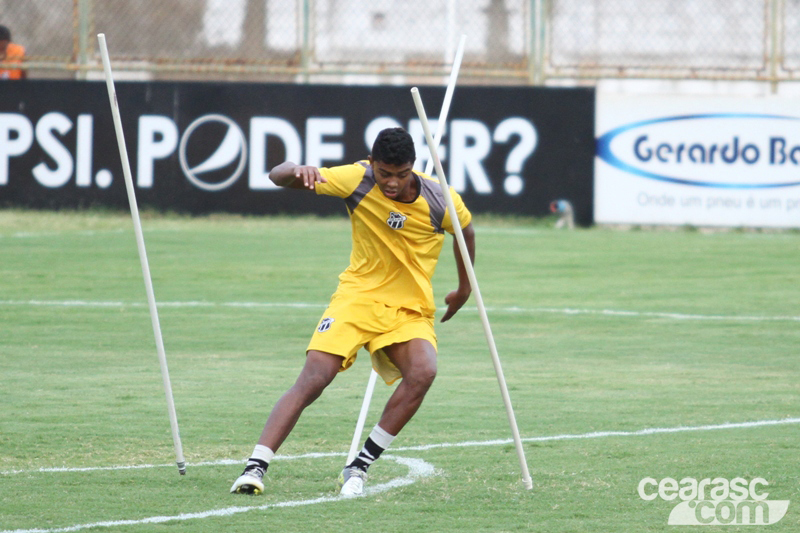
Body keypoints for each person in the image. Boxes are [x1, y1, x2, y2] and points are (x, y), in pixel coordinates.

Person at [231, 127, 475, 497]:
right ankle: (255, 467)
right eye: (385, 173)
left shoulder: (440, 198)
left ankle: (359, 466)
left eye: (401, 174)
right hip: (356, 299)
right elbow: (277, 176)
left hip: (408, 308)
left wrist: (464, 287)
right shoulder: (356, 178)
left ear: (412, 168)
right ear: (372, 162)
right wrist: (298, 168)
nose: (392, 182)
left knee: (424, 371)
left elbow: (466, 231)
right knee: (315, 377)